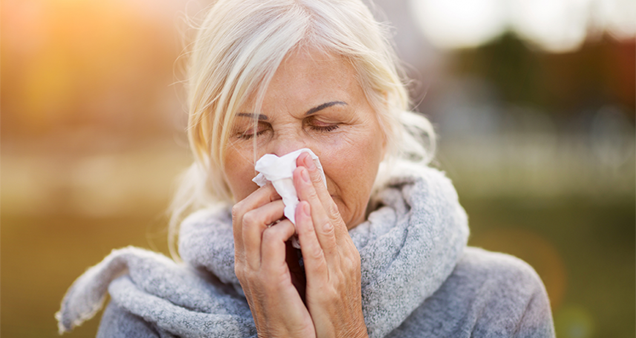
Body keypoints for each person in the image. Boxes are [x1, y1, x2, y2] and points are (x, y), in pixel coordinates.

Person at [56, 0, 556, 337]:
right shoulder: (148, 317)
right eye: (251, 132)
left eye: (324, 124)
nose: (292, 168)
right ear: (210, 145)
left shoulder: (496, 304)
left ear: (384, 124)